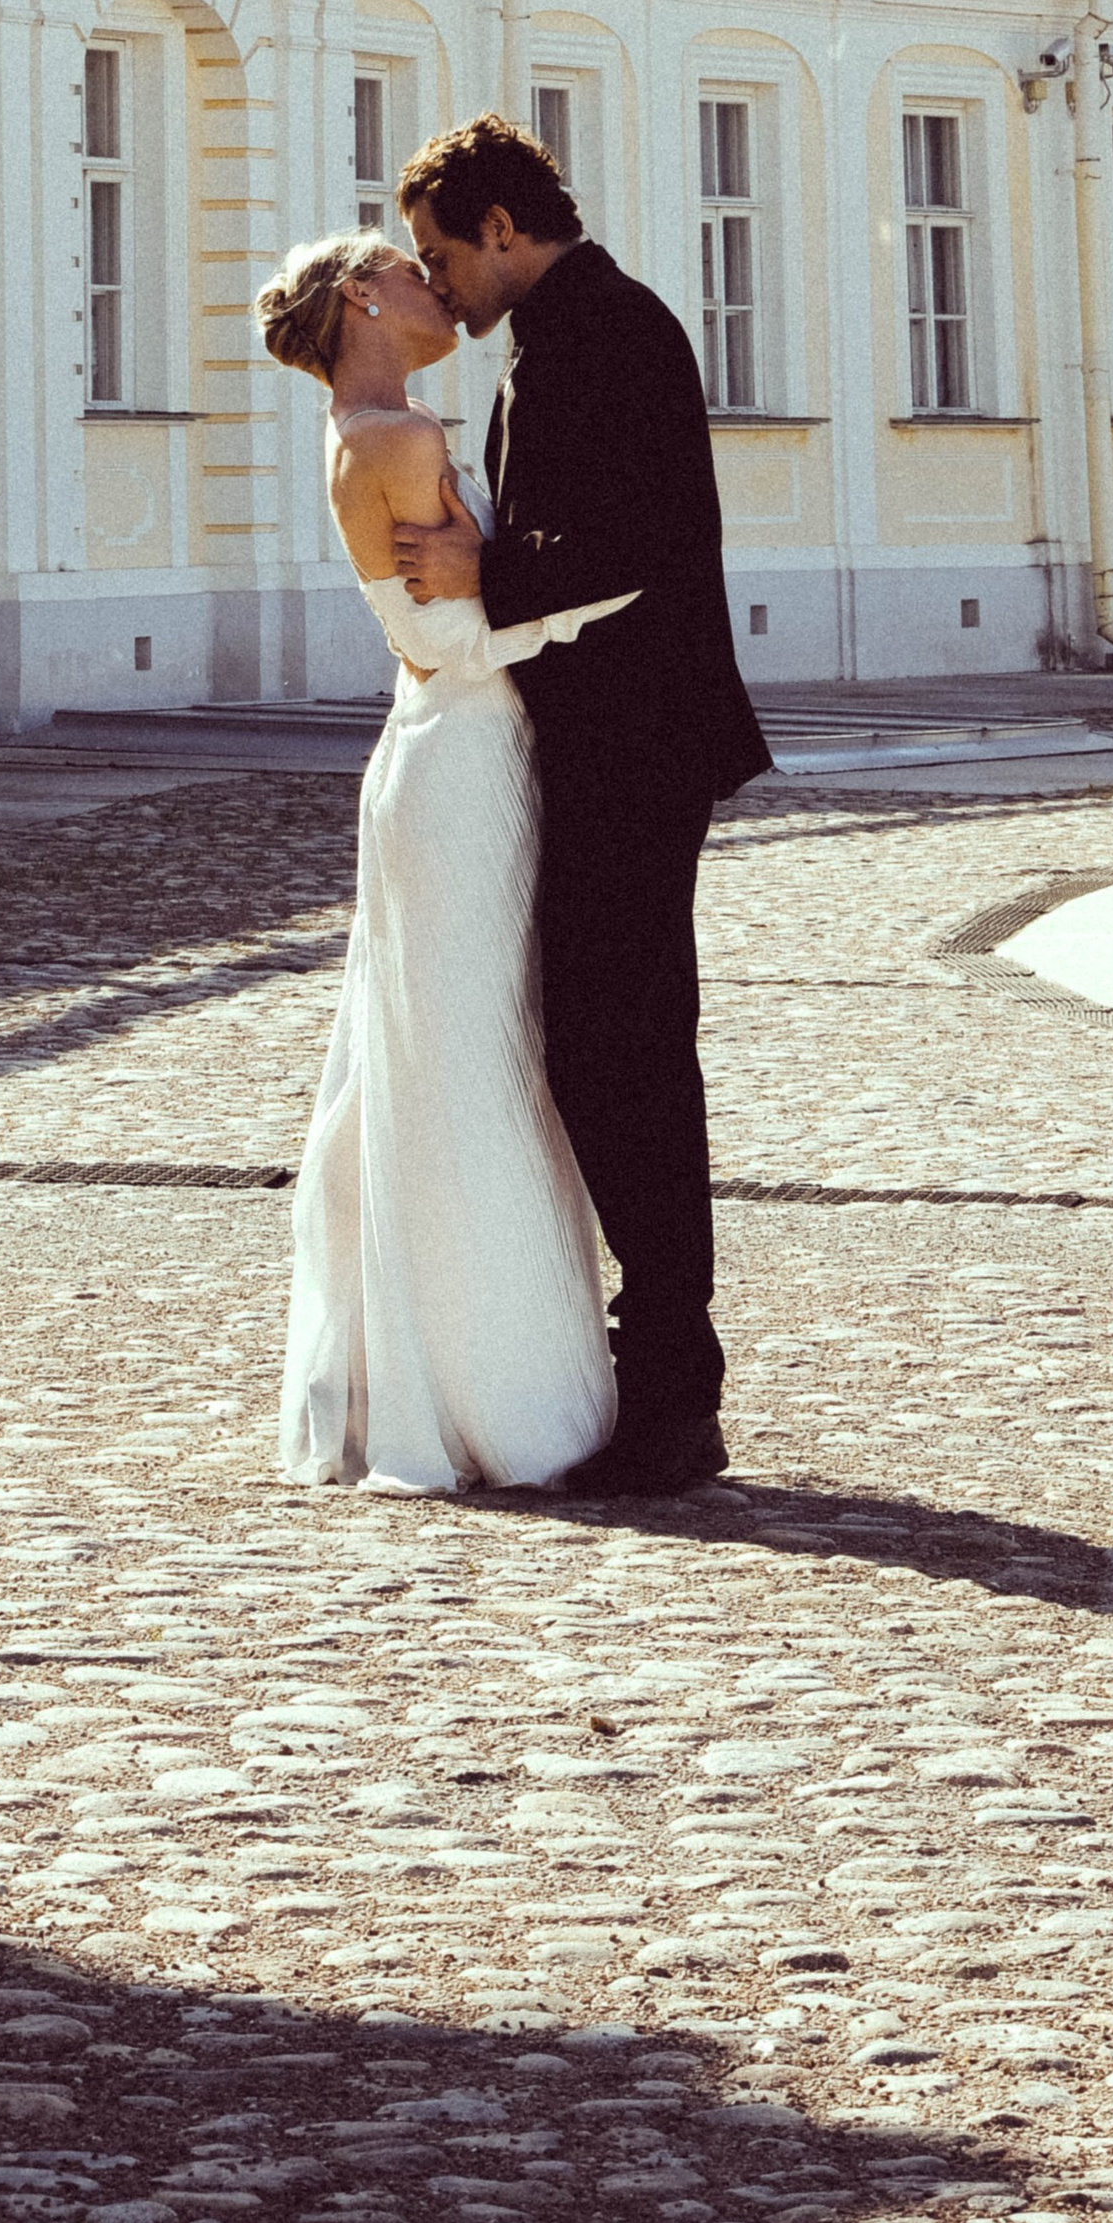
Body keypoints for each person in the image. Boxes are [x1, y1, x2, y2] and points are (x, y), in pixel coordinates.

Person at [393, 112, 770, 1496]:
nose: (437, 288)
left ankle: (674, 1385)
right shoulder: (561, 335)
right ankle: (657, 1367)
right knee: (605, 1053)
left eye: (443, 257)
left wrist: (481, 569)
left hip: (641, 739)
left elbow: (629, 546)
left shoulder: (609, 330)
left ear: (505, 227)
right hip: (608, 739)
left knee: (630, 1061)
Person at [254, 228, 636, 1492]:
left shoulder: (376, 429)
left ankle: (437, 1368)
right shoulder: (399, 441)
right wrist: (610, 591)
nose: (437, 287)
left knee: (437, 1059)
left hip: (441, 757)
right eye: (410, 269)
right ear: (367, 295)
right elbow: (448, 645)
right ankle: (498, 1393)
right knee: (473, 1061)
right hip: (463, 758)